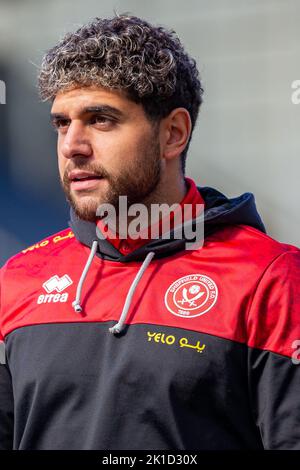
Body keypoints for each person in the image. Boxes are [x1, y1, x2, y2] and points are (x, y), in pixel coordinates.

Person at [0, 14, 299, 451]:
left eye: (100, 120)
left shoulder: (270, 278)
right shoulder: (18, 278)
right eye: (62, 123)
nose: (71, 146)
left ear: (173, 134)